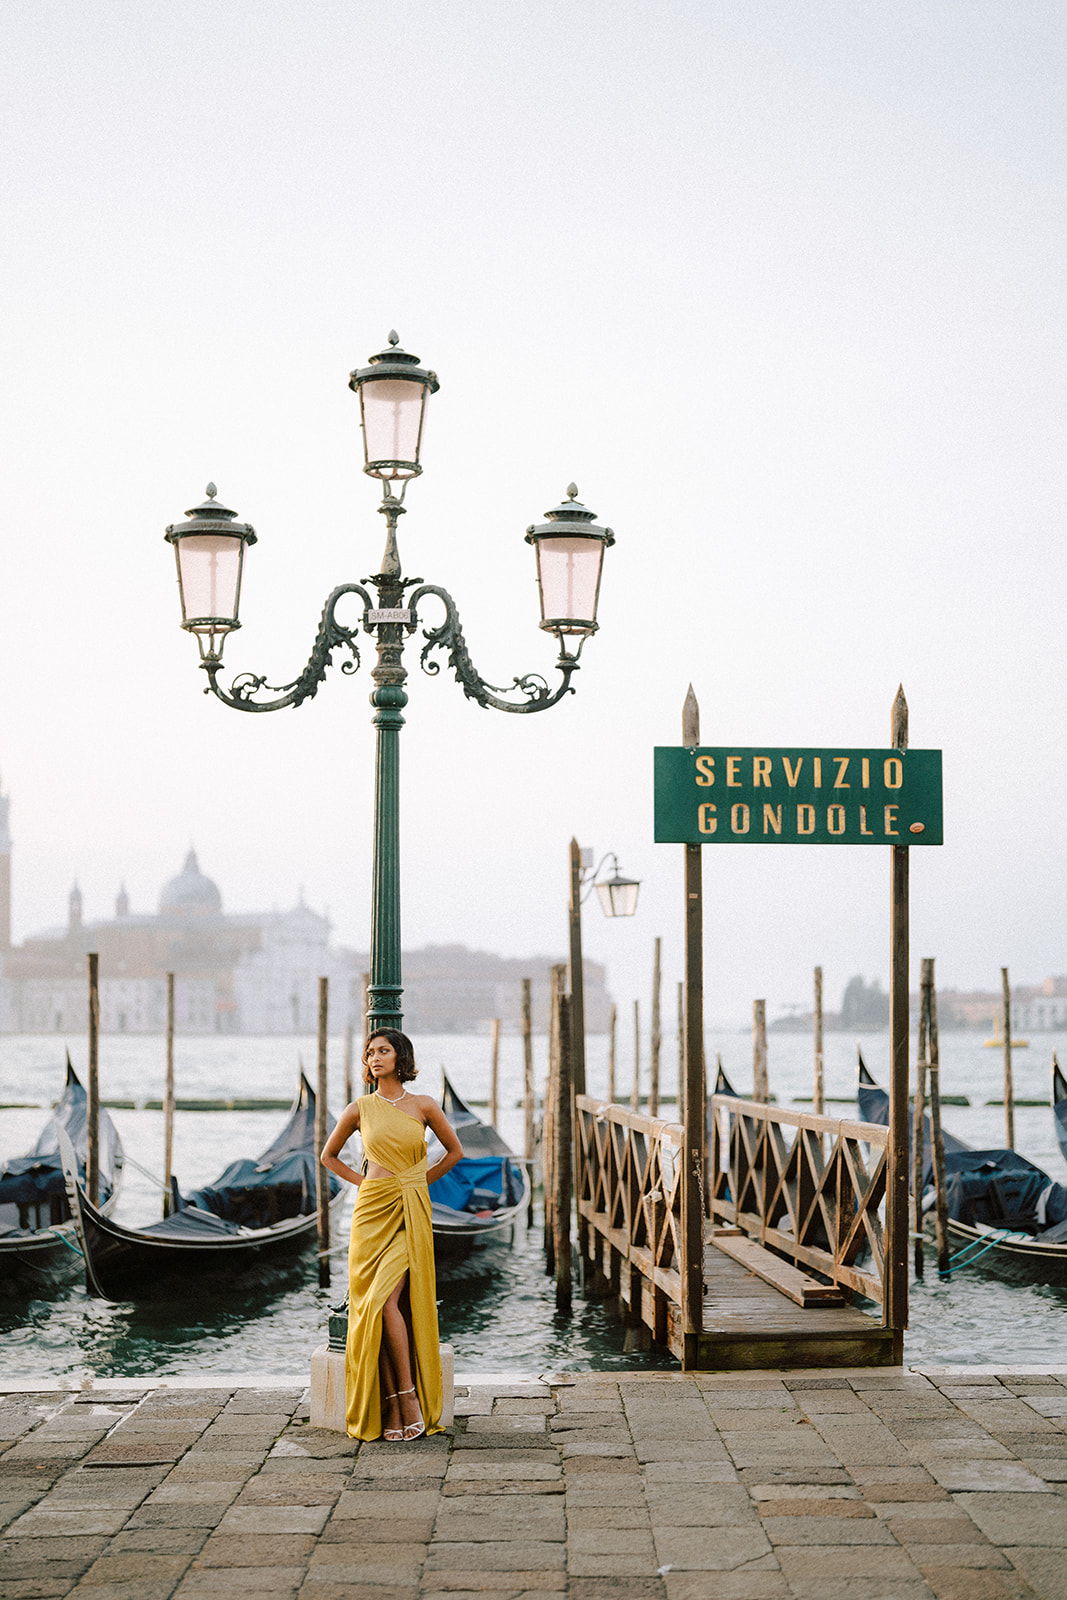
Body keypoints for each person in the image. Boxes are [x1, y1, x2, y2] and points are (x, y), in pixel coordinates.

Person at [320, 1028, 463, 1442]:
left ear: (400, 1057)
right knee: (375, 1308)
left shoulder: (424, 1106)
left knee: (387, 1301)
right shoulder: (359, 1108)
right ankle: (391, 1404)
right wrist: (363, 1184)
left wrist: (418, 1181)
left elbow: (454, 1152)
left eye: (383, 1051)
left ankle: (409, 1397)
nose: (374, 1057)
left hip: (409, 1210)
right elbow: (328, 1156)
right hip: (370, 1213)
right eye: (369, 1053)